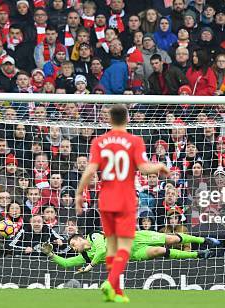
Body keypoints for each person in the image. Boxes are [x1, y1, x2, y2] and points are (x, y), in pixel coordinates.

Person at [74, 104, 171, 303]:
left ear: (109, 120)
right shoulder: (134, 140)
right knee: (125, 246)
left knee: (111, 245)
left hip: (105, 199)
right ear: (127, 119)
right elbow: (144, 168)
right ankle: (110, 282)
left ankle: (115, 291)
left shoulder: (99, 141)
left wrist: (78, 194)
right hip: (125, 198)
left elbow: (90, 170)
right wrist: (159, 165)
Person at [41, 230, 216, 275]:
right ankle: (198, 255)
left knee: (172, 239)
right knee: (160, 251)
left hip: (135, 237)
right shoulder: (85, 256)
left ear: (80, 239)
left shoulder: (94, 236)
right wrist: (50, 255)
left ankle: (204, 240)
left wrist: (91, 266)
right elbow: (65, 263)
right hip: (134, 253)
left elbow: (102, 250)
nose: (73, 248)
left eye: (73, 244)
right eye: (71, 246)